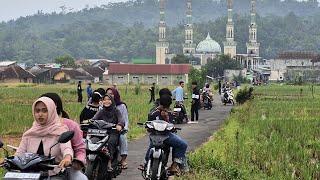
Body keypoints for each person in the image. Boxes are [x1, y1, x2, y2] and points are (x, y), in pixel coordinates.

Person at [16, 97, 73, 177]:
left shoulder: (60, 131)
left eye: (44, 110)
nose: (40, 114)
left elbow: (66, 148)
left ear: (51, 112)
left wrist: (67, 158)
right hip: (30, 175)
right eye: (37, 111)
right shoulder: (29, 134)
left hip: (55, 174)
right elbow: (19, 153)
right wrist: (8, 161)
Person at [40, 93, 87, 180]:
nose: (40, 113)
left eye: (44, 108)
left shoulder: (70, 125)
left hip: (65, 167)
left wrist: (76, 162)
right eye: (38, 109)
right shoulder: (37, 127)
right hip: (39, 168)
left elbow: (80, 149)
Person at [145, 94, 188, 175]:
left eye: (166, 107)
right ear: (160, 104)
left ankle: (174, 165)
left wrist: (166, 118)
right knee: (152, 146)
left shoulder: (170, 113)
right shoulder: (153, 113)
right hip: (155, 135)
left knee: (183, 144)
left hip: (167, 135)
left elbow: (172, 125)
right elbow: (148, 126)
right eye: (163, 107)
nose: (164, 109)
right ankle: (146, 162)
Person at [92, 94, 125, 172]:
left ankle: (109, 161)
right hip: (101, 132)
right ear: (102, 101)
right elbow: (94, 119)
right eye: (104, 100)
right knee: (93, 141)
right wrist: (89, 122)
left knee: (111, 142)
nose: (106, 101)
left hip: (113, 132)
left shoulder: (116, 110)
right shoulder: (101, 111)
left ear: (112, 101)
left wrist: (119, 125)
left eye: (108, 99)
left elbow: (121, 120)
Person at [106, 87, 129, 169]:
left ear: (115, 95)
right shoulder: (104, 105)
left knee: (123, 138)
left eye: (111, 93)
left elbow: (125, 119)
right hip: (106, 129)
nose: (109, 95)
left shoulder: (121, 106)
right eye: (108, 93)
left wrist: (124, 128)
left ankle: (123, 159)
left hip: (119, 129)